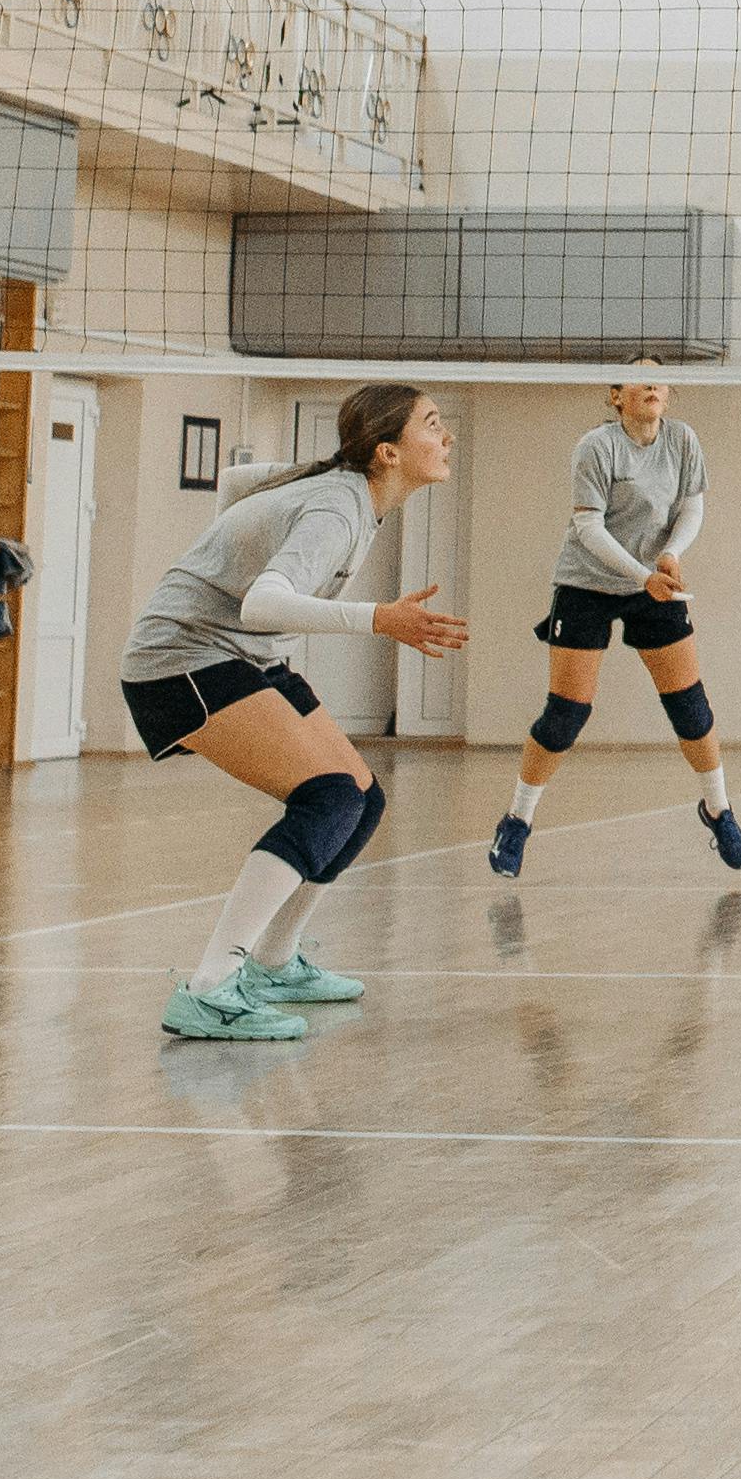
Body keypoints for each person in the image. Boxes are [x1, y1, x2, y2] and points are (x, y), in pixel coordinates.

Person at [118, 385, 469, 1040]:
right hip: (181, 659)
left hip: (242, 654)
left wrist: (232, 543)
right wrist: (380, 619)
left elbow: (232, 483)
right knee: (329, 797)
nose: (446, 436)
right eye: (432, 423)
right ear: (389, 451)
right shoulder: (337, 508)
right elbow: (261, 603)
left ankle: (274, 963)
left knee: (362, 798)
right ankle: (209, 987)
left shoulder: (337, 485)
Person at [488, 370, 741, 880]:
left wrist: (670, 555)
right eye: (638, 380)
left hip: (655, 585)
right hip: (587, 583)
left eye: (660, 381)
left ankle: (719, 810)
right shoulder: (597, 446)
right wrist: (642, 574)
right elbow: (588, 527)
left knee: (690, 707)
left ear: (668, 394)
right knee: (566, 714)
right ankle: (517, 820)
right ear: (615, 396)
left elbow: (691, 508)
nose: (652, 387)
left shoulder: (682, 439)